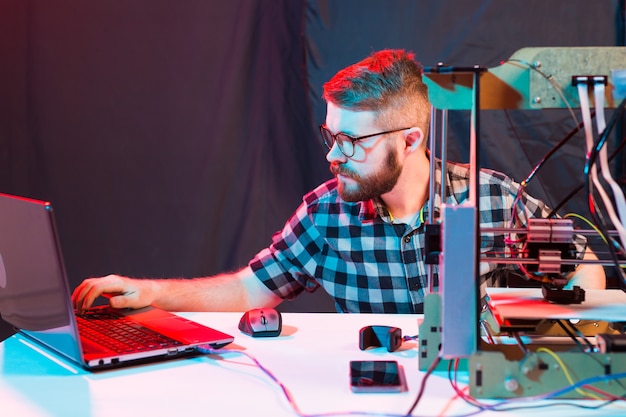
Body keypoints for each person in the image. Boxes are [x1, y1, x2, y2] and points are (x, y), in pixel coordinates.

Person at [72, 49, 605, 315]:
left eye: (353, 142)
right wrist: (152, 293)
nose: (333, 155)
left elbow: (587, 272)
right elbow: (251, 287)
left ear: (413, 139)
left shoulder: (491, 197)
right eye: (331, 136)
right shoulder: (327, 213)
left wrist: (537, 306)